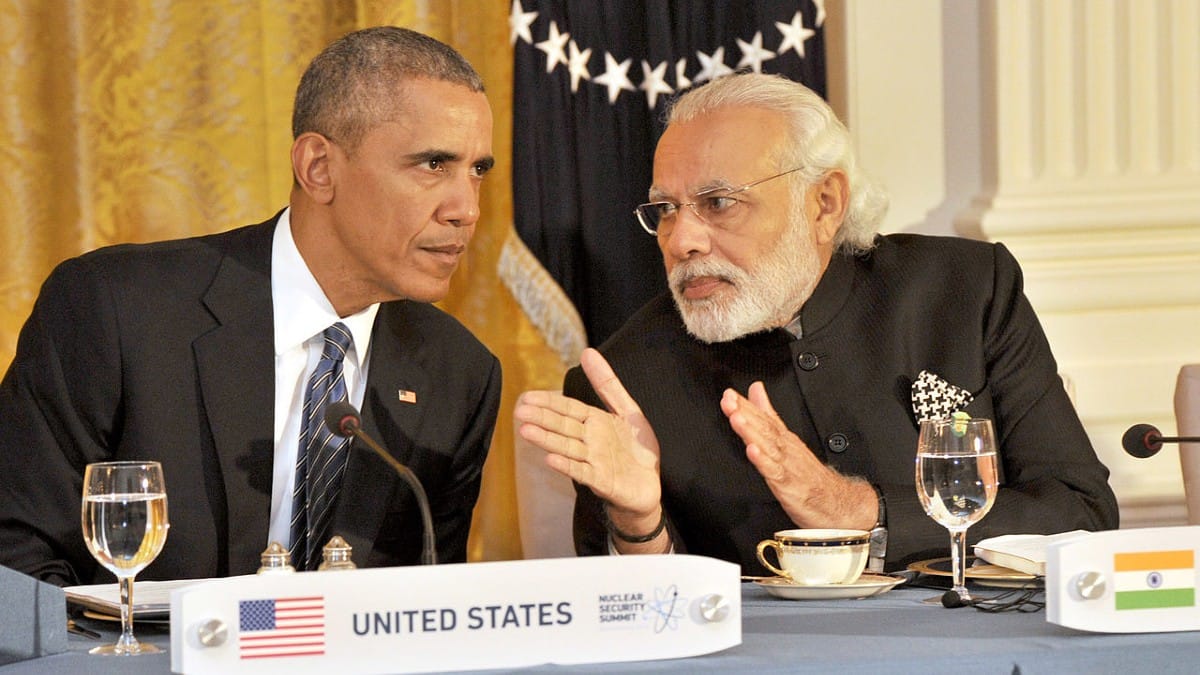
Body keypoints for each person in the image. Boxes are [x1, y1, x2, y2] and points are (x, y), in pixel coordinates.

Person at [514, 72, 1118, 575]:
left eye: (718, 203)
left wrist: (858, 510)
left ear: (824, 203)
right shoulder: (623, 380)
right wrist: (638, 522)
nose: (682, 240)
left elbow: (1081, 513)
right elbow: (636, 621)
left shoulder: (964, 291)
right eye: (666, 210)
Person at [0, 26, 502, 585]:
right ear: (318, 167)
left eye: (478, 170)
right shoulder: (116, 309)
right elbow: (18, 556)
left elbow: (425, 602)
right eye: (433, 165)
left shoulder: (459, 374)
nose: (467, 209)